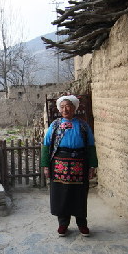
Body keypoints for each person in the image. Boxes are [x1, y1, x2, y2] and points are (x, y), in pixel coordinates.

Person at [40, 95, 98, 237]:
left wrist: (92, 166)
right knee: (62, 194)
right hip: (59, 164)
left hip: (79, 163)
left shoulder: (83, 125)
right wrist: (46, 166)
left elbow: (91, 146)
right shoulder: (54, 125)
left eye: (68, 106)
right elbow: (46, 145)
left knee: (79, 194)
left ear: (74, 108)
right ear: (60, 110)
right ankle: (63, 224)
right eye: (63, 106)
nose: (65, 109)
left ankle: (81, 223)